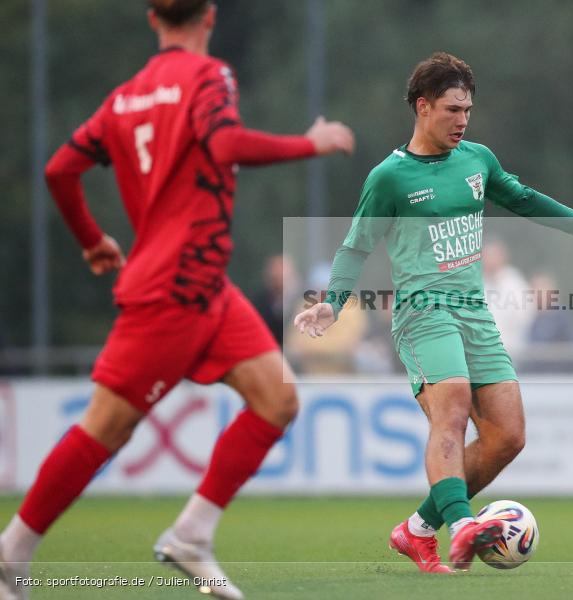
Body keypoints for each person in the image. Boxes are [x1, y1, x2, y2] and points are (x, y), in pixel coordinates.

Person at [0, 2, 354, 599]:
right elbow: (223, 144)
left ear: (151, 18)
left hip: (206, 287)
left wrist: (93, 241)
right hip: (170, 290)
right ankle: (12, 553)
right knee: (105, 428)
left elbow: (61, 170)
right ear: (210, 16)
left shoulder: (125, 98)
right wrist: (309, 143)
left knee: (278, 399)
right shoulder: (208, 75)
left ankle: (191, 535)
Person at [293, 52, 573, 573]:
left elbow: (525, 199)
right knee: (450, 411)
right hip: (422, 314)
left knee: (508, 437)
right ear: (423, 106)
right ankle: (462, 526)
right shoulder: (389, 177)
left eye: (468, 111)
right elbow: (355, 247)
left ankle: (417, 530)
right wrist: (330, 305)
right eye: (453, 109)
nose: (462, 121)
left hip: (475, 314)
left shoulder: (477, 159)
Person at [481, 240, 534, 361]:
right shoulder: (479, 282)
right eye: (487, 256)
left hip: (512, 350)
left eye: (493, 256)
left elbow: (526, 315)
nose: (490, 261)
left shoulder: (514, 281)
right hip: (483, 351)